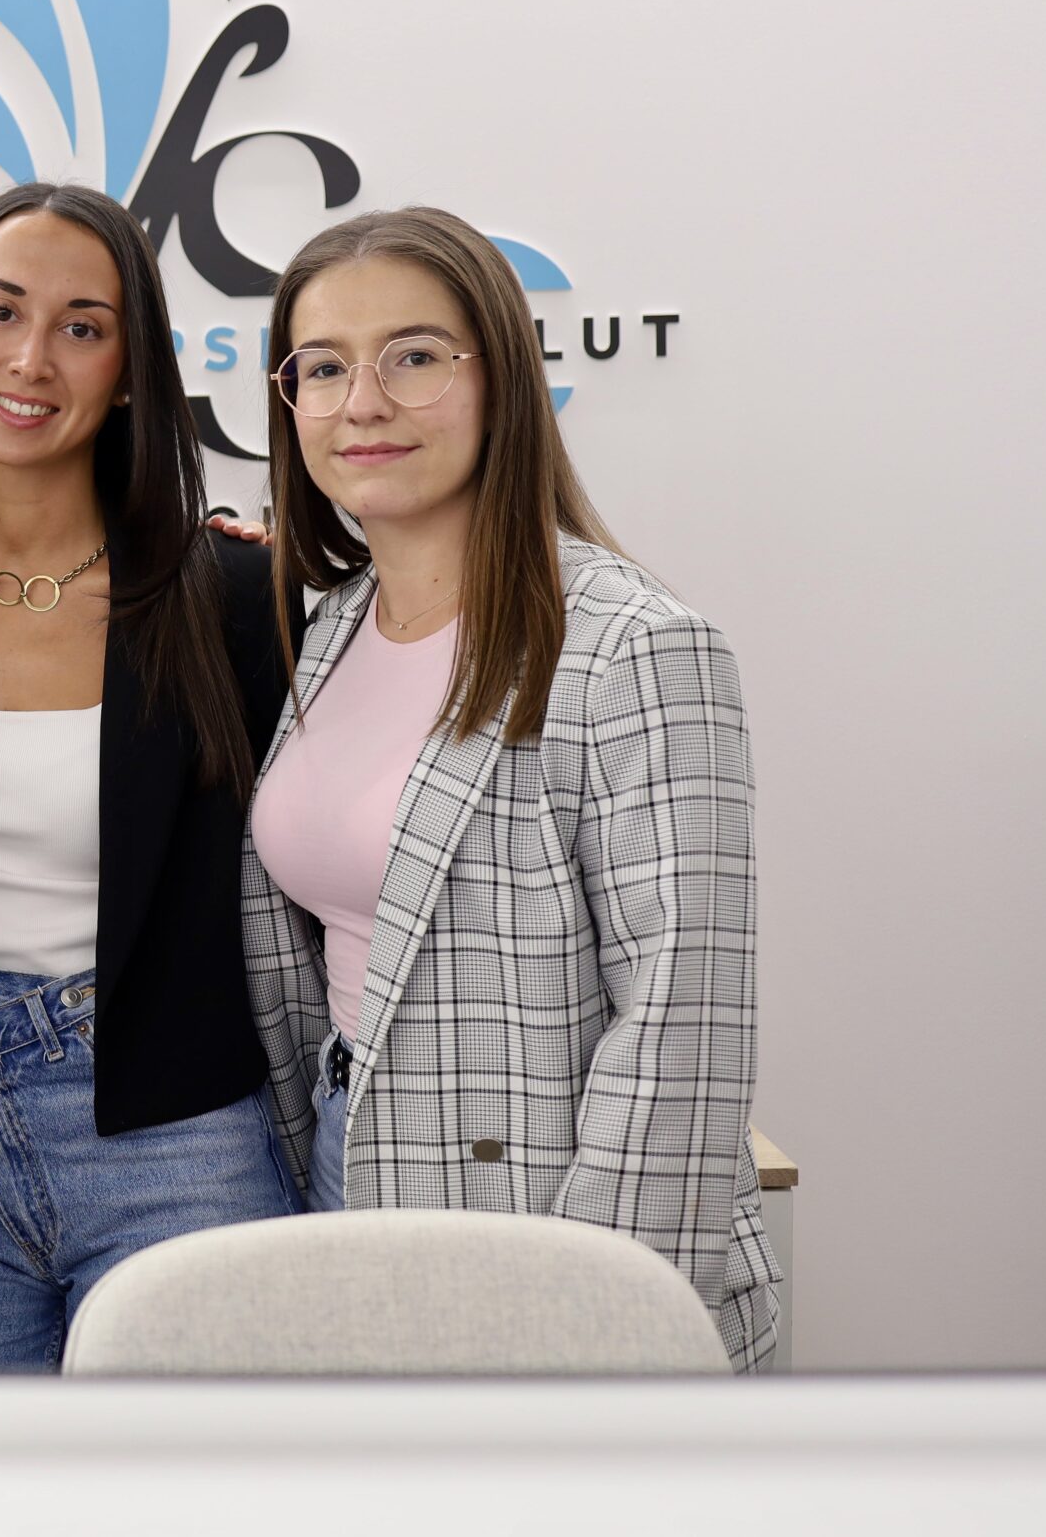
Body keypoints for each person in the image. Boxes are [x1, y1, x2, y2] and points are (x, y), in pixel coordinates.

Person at [241, 205, 779, 1367]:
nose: (361, 402)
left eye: (413, 357)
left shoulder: (633, 646)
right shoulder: (327, 628)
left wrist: (602, 1326)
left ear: (502, 380)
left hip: (535, 1214)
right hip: (338, 1159)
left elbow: (681, 1033)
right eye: (321, 368)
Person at [0, 182, 298, 1369]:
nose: (30, 359)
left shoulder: (228, 599)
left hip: (173, 1140)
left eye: (81, 327)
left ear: (132, 371)